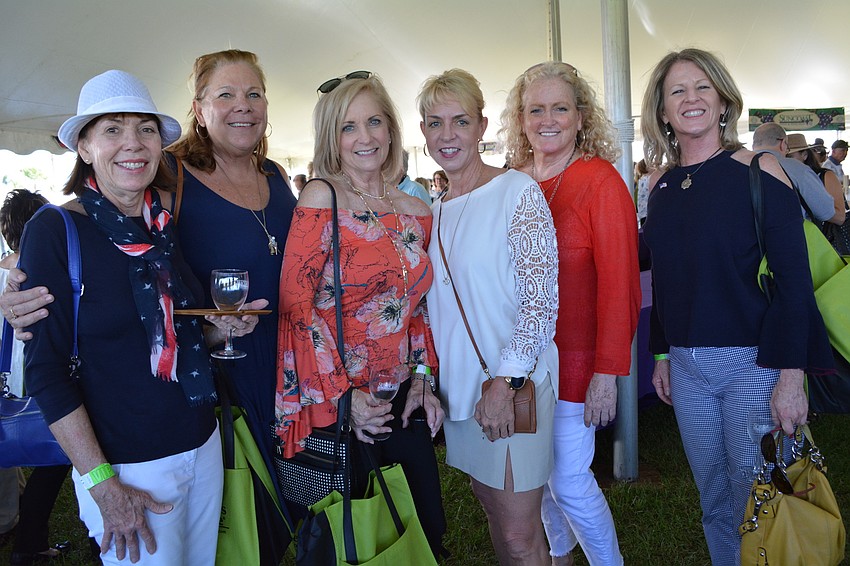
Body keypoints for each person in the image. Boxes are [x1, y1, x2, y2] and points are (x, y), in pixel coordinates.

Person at [0, 51, 299, 536]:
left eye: (143, 130)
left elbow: (174, 323)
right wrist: (101, 482)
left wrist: (217, 329)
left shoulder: (159, 225)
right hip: (136, 452)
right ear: (82, 146)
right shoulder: (77, 220)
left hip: (205, 430)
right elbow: (48, 369)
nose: (132, 145)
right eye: (111, 130)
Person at [641, 48, 833, 565]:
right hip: (686, 367)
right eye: (677, 90)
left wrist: (792, 378)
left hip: (755, 365)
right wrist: (661, 356)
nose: (691, 98)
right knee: (715, 499)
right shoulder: (659, 186)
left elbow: (795, 286)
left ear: (724, 100)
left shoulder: (760, 169)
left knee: (765, 496)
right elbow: (663, 275)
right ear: (662, 110)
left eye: (703, 87)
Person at [274, 72, 446, 556]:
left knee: (421, 532)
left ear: (391, 130)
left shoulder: (416, 207)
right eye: (349, 127)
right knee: (351, 540)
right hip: (340, 404)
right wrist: (343, 400)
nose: (365, 137)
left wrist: (423, 379)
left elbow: (417, 309)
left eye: (374, 122)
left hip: (400, 398)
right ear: (333, 137)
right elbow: (296, 309)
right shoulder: (320, 198)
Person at [501, 61, 640, 566]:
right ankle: (560, 556)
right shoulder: (511, 183)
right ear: (520, 119)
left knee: (571, 482)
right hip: (520, 361)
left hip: (578, 363)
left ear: (581, 118)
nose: (548, 119)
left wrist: (608, 372)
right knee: (537, 480)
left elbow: (621, 285)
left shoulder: (600, 181)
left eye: (560, 108)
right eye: (535, 109)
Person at [419, 68, 559, 566]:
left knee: (520, 533)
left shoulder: (517, 191)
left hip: (512, 389)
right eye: (435, 123)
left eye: (460, 121)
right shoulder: (434, 210)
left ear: (481, 126)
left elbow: (541, 303)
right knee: (493, 511)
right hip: (462, 393)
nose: (448, 134)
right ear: (423, 133)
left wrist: (504, 382)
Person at [0, 190, 73, 566]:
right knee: (56, 458)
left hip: (12, 383)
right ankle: (29, 545)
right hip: (41, 380)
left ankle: (28, 543)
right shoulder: (38, 269)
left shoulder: (3, 268)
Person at [751, 123, 837, 223]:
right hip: (788, 235)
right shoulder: (798, 169)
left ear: (753, 145)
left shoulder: (737, 168)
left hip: (743, 236)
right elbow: (826, 211)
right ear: (783, 144)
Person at [785, 133, 846, 226]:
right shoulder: (782, 178)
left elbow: (840, 217)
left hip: (821, 236)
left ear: (805, 155)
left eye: (789, 157)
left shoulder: (825, 176)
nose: (785, 161)